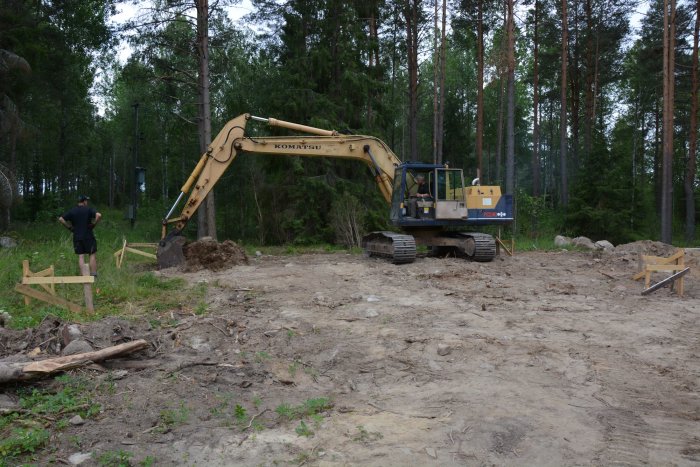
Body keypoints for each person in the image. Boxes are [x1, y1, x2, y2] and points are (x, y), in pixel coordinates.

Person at [59, 195, 101, 277]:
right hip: (88, 236)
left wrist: (69, 227)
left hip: (77, 236)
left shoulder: (72, 211)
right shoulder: (88, 209)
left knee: (81, 256)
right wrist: (94, 224)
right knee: (92, 254)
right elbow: (99, 215)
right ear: (84, 201)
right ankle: (94, 275)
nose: (87, 202)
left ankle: (83, 276)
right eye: (86, 201)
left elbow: (61, 219)